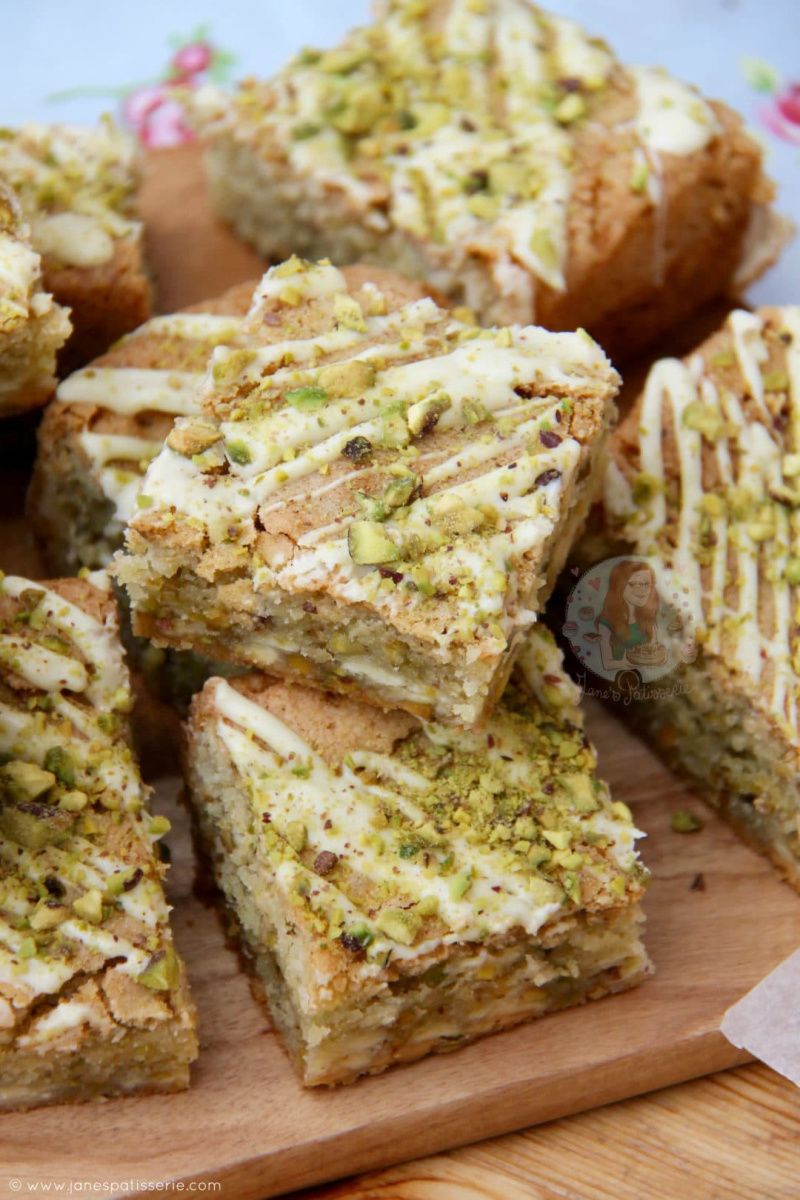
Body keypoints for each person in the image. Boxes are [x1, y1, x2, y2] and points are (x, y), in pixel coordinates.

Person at [596, 560, 660, 672]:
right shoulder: (606, 623)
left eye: (647, 584)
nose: (644, 590)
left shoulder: (648, 620)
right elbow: (607, 664)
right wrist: (629, 662)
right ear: (620, 585)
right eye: (635, 584)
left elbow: (653, 653)